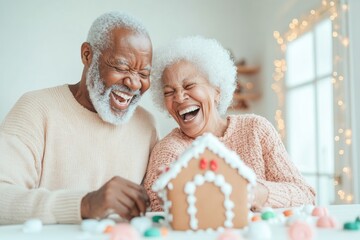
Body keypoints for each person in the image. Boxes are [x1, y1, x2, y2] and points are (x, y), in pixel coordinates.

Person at [0, 12, 158, 224]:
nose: (134, 84)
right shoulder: (36, 109)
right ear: (87, 55)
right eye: (121, 67)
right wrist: (85, 204)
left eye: (144, 74)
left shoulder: (146, 125)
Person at [144, 36, 315, 212]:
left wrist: (256, 192)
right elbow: (157, 209)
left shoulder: (256, 129)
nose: (179, 97)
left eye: (189, 86)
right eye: (169, 92)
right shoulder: (168, 150)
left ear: (217, 91)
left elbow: (306, 195)